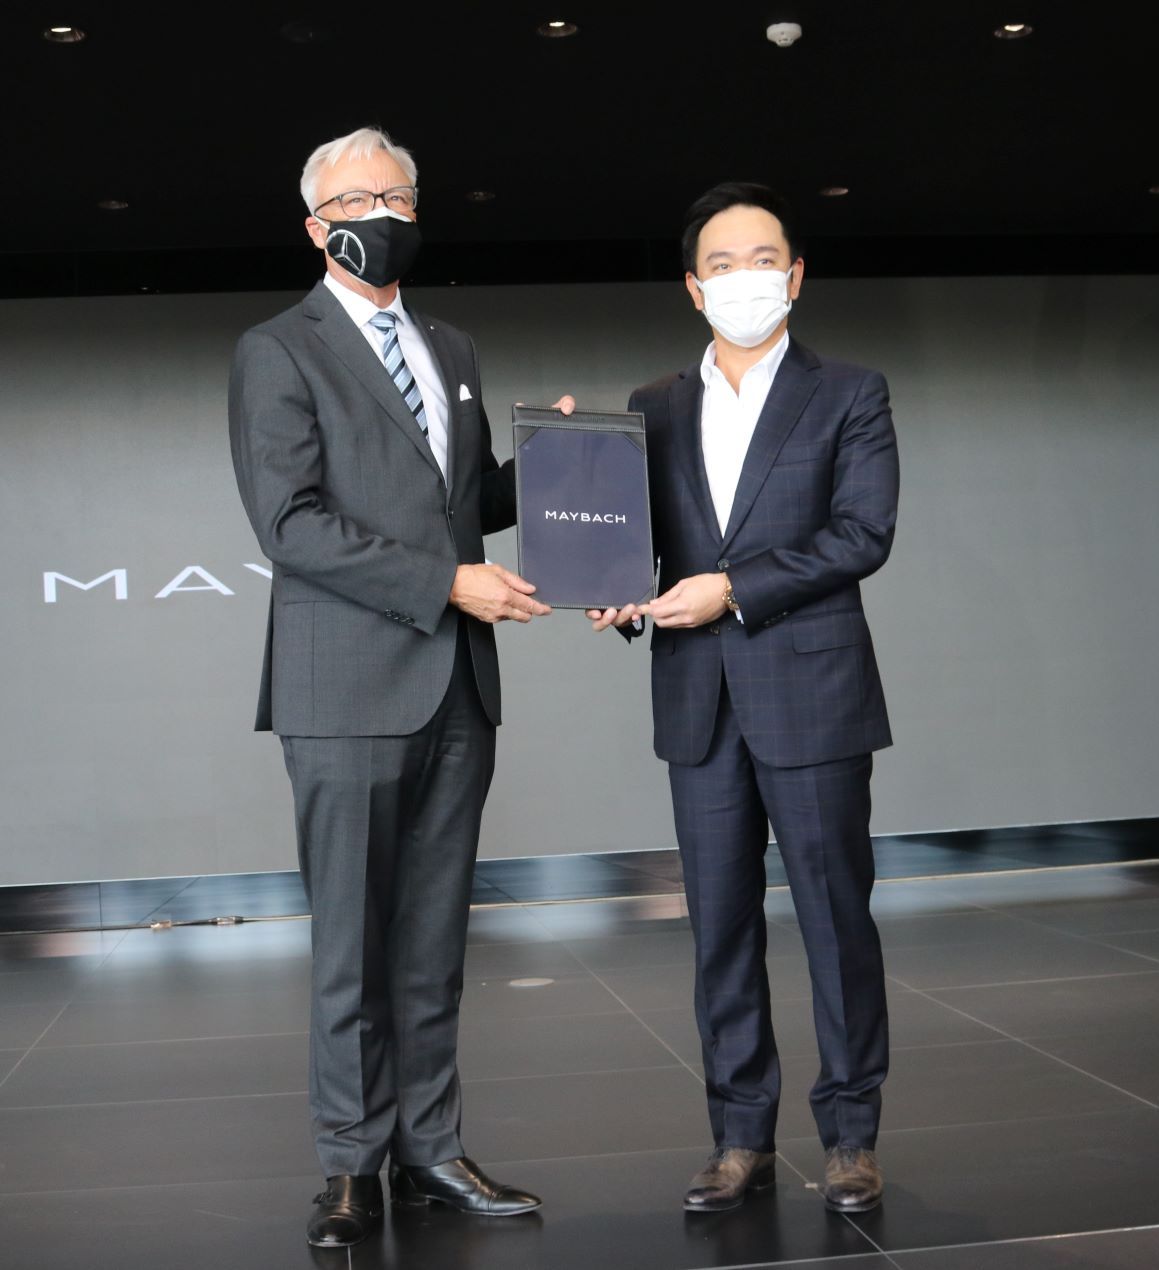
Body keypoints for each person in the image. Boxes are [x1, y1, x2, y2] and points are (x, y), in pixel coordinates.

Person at [228, 126, 571, 1250]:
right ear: (316, 226)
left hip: (457, 687)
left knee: (432, 942)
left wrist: (563, 468)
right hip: (344, 688)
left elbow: (459, 504)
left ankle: (431, 1149)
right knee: (351, 943)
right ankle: (348, 1162)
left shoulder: (450, 345)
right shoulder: (278, 351)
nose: (383, 212)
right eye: (358, 199)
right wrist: (448, 584)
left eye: (401, 196)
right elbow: (291, 524)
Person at [589, 182, 899, 1214]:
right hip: (699, 698)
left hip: (813, 691)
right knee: (719, 927)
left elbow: (863, 534)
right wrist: (616, 595)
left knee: (835, 919)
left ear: (796, 275)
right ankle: (739, 1136)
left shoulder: (849, 392)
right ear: (694, 287)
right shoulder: (653, 405)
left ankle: (850, 1134)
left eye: (764, 259)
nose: (744, 279)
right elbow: (636, 548)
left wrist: (733, 589)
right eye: (722, 264)